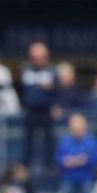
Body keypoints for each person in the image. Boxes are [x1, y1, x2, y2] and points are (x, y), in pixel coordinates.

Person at [21, 41, 58, 171]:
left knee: (49, 139)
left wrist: (55, 104)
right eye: (34, 57)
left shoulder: (52, 70)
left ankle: (49, 166)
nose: (37, 60)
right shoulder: (27, 70)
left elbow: (57, 90)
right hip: (31, 109)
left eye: (40, 57)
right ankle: (25, 167)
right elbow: (26, 91)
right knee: (28, 140)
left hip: (46, 110)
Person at [55, 113, 97, 193]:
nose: (76, 131)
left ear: (84, 128)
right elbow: (58, 159)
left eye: (78, 128)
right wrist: (69, 161)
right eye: (74, 129)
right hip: (68, 178)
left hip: (86, 178)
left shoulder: (92, 142)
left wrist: (84, 160)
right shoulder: (64, 142)